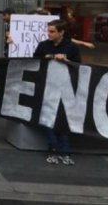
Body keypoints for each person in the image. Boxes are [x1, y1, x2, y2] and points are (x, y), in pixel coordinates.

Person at [33, 19, 80, 166]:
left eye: (52, 31)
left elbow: (79, 66)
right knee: (48, 117)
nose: (49, 34)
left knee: (62, 119)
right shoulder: (43, 45)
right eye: (48, 31)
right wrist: (49, 57)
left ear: (61, 32)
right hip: (47, 86)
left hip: (65, 88)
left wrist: (66, 60)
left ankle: (64, 151)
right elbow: (34, 61)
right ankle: (53, 148)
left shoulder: (71, 47)